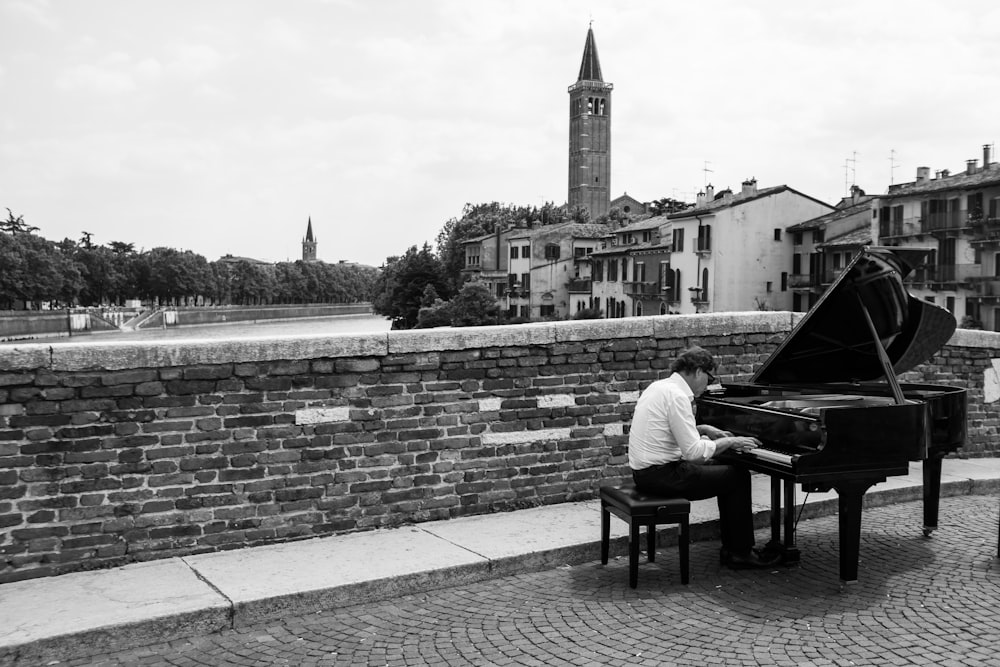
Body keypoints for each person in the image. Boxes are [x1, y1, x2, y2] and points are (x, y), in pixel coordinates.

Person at [628, 346, 780, 570]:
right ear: (699, 371)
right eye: (709, 378)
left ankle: (734, 547)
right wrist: (730, 441)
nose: (708, 385)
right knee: (737, 477)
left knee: (727, 467)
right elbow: (694, 454)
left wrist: (705, 428)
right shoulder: (678, 396)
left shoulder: (660, 387)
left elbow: (671, 430)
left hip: (645, 473)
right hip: (663, 475)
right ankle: (739, 552)